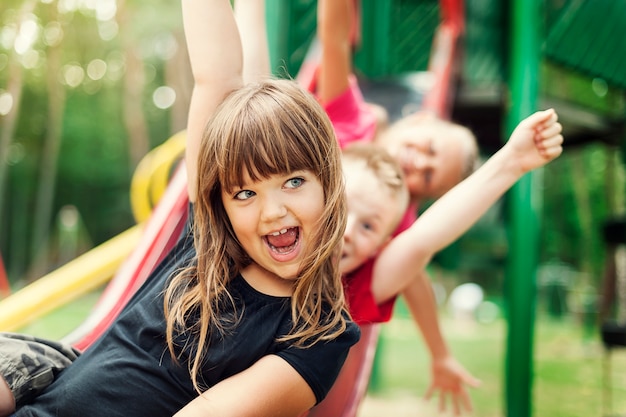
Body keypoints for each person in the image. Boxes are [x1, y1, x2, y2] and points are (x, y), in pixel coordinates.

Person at [0, 0, 360, 416]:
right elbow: (217, 74)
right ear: (221, 202)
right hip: (46, 387)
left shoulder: (319, 337)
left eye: (293, 182)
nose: (272, 211)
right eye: (245, 193)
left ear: (328, 184)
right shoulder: (207, 246)